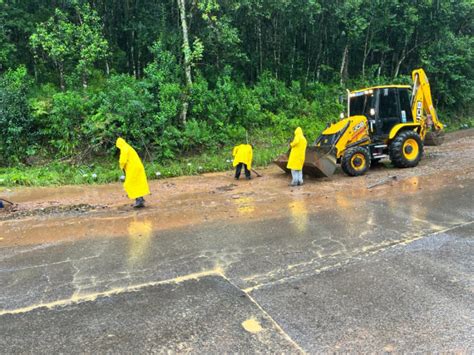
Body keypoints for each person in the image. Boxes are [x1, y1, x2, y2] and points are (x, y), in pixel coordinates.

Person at [116, 137, 150, 208]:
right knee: (137, 183)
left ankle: (139, 201)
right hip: (137, 167)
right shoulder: (128, 147)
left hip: (133, 168)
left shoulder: (124, 149)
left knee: (130, 184)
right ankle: (140, 199)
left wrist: (121, 166)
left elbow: (123, 161)